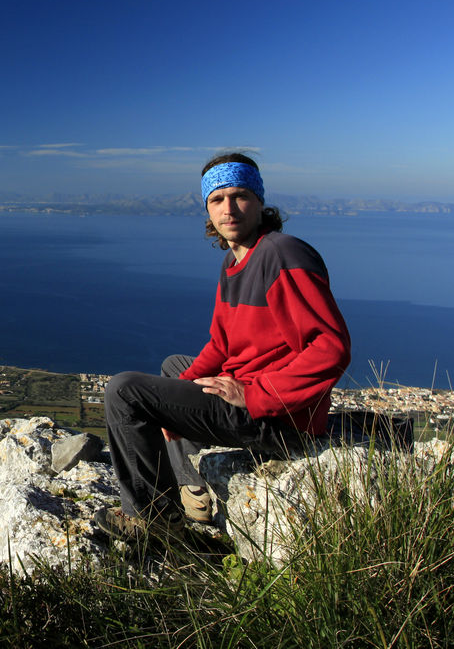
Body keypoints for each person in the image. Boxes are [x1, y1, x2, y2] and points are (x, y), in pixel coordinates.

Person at [95, 153, 351, 542]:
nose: (228, 208)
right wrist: (176, 396)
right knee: (175, 367)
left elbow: (330, 347)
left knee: (124, 392)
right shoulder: (236, 263)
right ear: (207, 208)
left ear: (260, 201)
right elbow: (222, 343)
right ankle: (193, 487)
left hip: (277, 418)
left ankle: (155, 523)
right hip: (253, 393)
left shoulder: (282, 254)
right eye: (217, 199)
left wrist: (255, 395)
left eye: (240, 196)